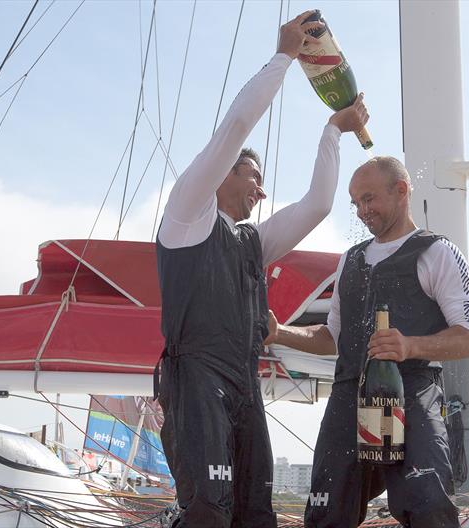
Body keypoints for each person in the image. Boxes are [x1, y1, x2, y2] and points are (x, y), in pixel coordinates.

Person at [154, 10, 369, 527]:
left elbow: (318, 204)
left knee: (255, 513)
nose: (262, 188)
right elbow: (235, 128)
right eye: (254, 175)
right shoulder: (187, 213)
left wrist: (333, 131)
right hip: (196, 377)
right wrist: (283, 57)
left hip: (243, 380)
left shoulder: (254, 241)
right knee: (208, 506)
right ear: (223, 172)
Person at [266, 156, 469, 528]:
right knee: (326, 509)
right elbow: (330, 336)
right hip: (349, 393)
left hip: (413, 392)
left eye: (369, 199)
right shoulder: (348, 260)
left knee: (429, 504)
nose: (362, 211)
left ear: (401, 190)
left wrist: (410, 346)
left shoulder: (438, 252)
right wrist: (280, 332)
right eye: (355, 203)